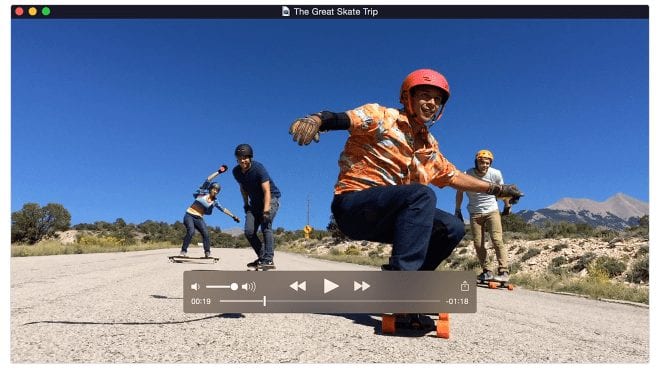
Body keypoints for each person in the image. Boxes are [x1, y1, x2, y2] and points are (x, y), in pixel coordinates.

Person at [288, 68, 523, 275]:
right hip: (354, 206)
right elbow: (346, 118)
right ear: (407, 97)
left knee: (452, 227)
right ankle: (401, 284)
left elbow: (454, 176)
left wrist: (497, 189)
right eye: (425, 95)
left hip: (392, 217)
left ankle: (413, 285)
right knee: (421, 194)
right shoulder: (383, 117)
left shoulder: (429, 147)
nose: (432, 103)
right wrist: (318, 119)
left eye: (437, 99)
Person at [455, 150, 513, 283]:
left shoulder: (496, 173)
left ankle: (504, 271)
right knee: (478, 243)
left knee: (497, 240)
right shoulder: (467, 174)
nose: (485, 165)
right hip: (475, 213)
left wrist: (507, 206)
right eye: (482, 162)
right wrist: (457, 210)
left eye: (487, 163)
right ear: (476, 162)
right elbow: (459, 192)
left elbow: (502, 191)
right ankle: (487, 271)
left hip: (492, 210)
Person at [232, 144, 281, 270]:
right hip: (254, 204)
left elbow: (267, 191)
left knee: (266, 226)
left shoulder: (259, 168)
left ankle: (268, 260)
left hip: (271, 199)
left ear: (250, 157)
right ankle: (262, 257)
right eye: (240, 158)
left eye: (245, 157)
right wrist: (246, 204)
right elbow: (243, 188)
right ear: (237, 159)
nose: (243, 160)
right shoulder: (236, 172)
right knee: (249, 231)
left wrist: (266, 210)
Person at [180, 165, 240, 258]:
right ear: (210, 189)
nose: (215, 191)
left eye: (217, 191)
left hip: (199, 218)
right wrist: (219, 172)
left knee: (206, 234)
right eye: (214, 189)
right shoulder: (202, 192)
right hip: (189, 215)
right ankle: (183, 251)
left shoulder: (215, 201)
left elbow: (223, 209)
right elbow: (208, 179)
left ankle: (207, 252)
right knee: (191, 231)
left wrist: (233, 216)